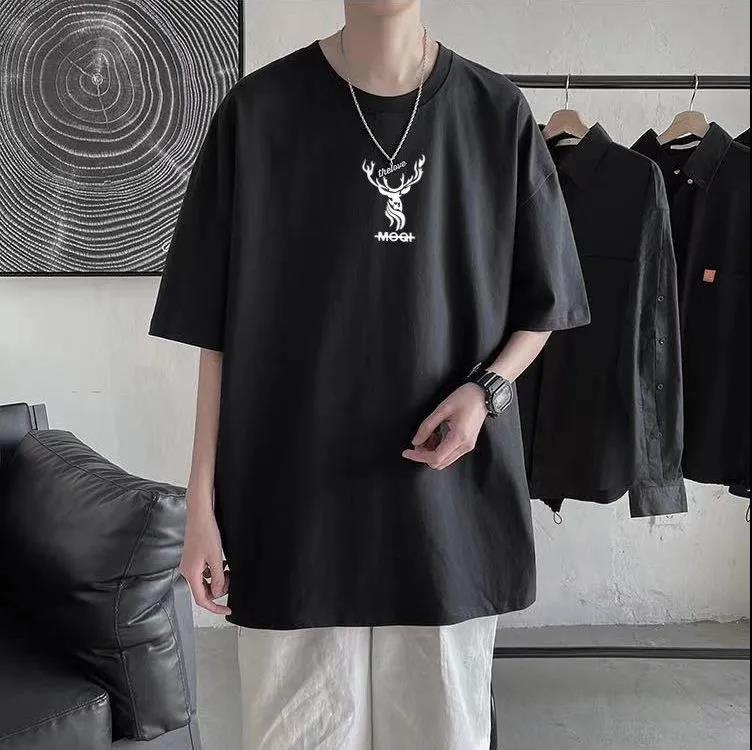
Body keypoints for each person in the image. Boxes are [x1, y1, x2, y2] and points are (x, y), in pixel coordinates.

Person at [149, 1, 590, 747]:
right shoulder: (258, 113)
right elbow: (213, 335)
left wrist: (485, 392)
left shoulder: (496, 113)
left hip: (444, 511)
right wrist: (199, 506)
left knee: (443, 731)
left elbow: (544, 302)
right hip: (293, 510)